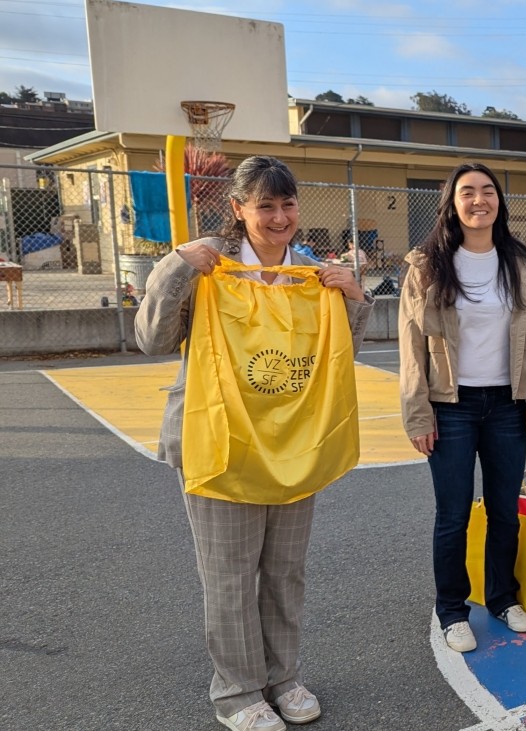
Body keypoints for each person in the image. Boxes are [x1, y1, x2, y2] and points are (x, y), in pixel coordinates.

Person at [135, 155, 373, 731]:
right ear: (238, 209)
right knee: (230, 575)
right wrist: (175, 267)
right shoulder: (206, 266)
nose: (279, 217)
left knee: (286, 571)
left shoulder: (314, 274)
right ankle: (238, 692)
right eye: (265, 205)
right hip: (219, 440)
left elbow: (339, 354)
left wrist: (354, 298)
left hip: (294, 440)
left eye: (288, 204)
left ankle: (283, 679)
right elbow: (152, 340)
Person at [397, 162, 526, 654]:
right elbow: (411, 346)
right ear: (452, 203)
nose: (479, 200)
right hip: (451, 406)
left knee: (505, 510)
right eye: (468, 192)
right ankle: (452, 610)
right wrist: (418, 414)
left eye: (488, 191)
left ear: (499, 202)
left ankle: (503, 598)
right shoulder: (427, 266)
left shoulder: (523, 264)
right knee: (453, 514)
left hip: (507, 404)